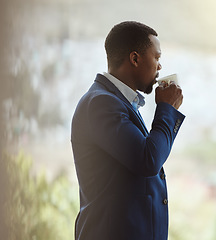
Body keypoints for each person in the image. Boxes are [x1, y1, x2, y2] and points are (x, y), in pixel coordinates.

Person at [71, 21, 185, 240]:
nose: (160, 67)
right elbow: (148, 159)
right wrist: (166, 110)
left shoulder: (119, 102)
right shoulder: (101, 103)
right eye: (157, 58)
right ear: (135, 59)